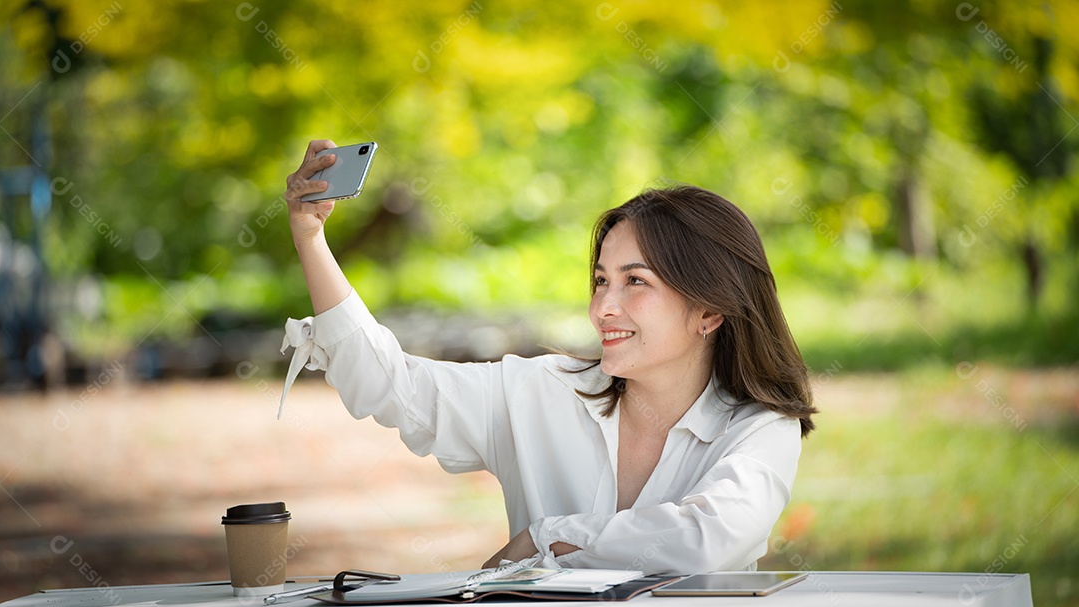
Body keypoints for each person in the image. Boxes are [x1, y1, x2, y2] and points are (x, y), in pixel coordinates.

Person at [279, 139, 817, 575]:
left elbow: (707, 542)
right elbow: (388, 384)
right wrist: (310, 238)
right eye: (601, 280)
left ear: (710, 312)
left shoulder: (760, 428)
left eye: (636, 282)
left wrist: (547, 537)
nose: (604, 306)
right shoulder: (538, 391)